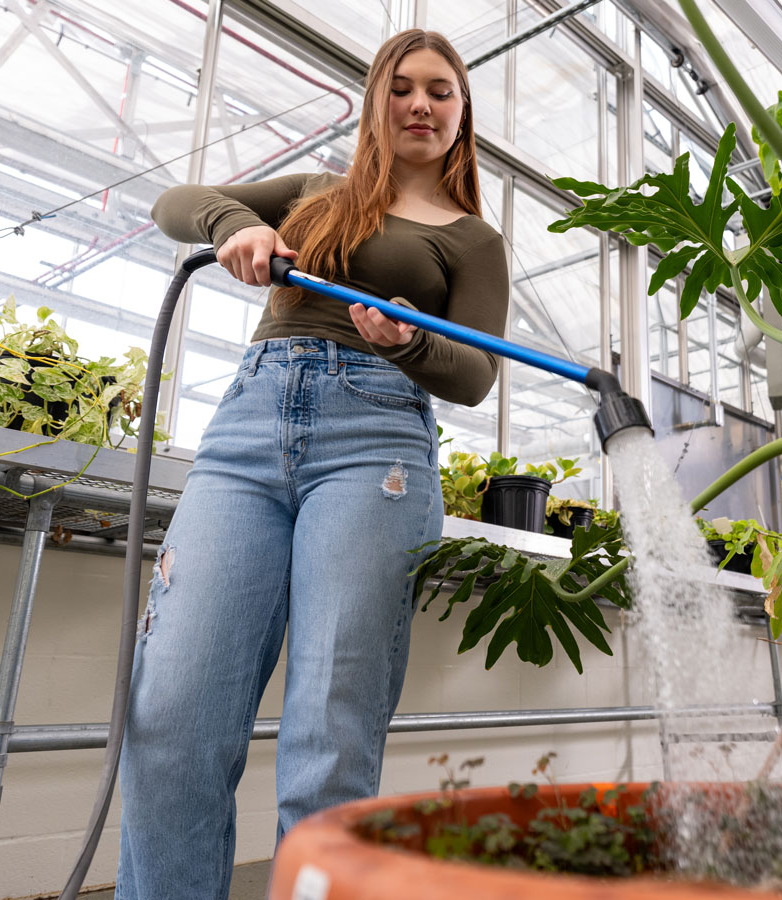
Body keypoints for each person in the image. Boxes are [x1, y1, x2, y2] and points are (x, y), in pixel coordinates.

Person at [116, 29, 507, 900]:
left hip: (376, 448)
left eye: (440, 91)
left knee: (328, 734)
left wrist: (408, 342)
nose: (420, 104)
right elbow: (177, 202)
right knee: (170, 715)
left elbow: (476, 375)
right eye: (401, 87)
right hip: (247, 434)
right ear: (375, 100)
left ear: (461, 111)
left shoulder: (473, 241)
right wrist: (237, 224)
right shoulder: (313, 192)